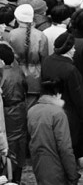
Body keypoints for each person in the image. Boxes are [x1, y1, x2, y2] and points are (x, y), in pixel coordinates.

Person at [41, 33, 83, 158]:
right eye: (72, 47)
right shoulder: (70, 69)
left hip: (49, 105)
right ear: (67, 50)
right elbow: (77, 94)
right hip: (68, 110)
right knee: (69, 140)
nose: (74, 50)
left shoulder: (47, 61)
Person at [27, 79, 80, 185]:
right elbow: (65, 148)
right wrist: (73, 175)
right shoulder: (58, 114)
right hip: (56, 168)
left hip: (38, 165)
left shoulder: (31, 111)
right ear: (57, 94)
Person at [0, 42, 27, 183]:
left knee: (8, 147)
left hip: (7, 113)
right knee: (19, 145)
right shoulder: (19, 71)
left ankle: (8, 177)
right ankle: (16, 178)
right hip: (20, 109)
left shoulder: (2, 74)